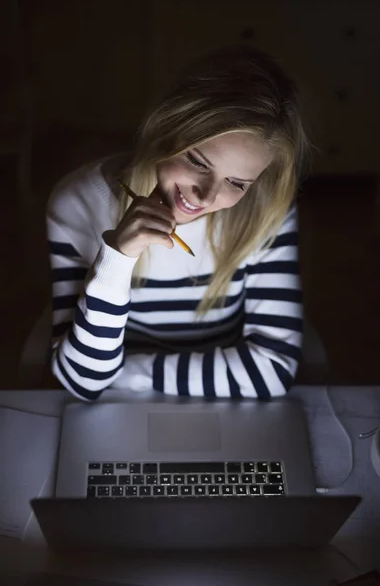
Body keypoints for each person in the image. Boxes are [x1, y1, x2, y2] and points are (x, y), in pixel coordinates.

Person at [46, 44, 310, 401]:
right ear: (166, 128)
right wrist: (117, 258)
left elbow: (273, 371)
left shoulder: (267, 212)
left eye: (236, 183)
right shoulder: (76, 203)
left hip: (209, 403)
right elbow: (82, 381)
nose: (203, 197)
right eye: (198, 162)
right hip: (165, 399)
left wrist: (125, 374)